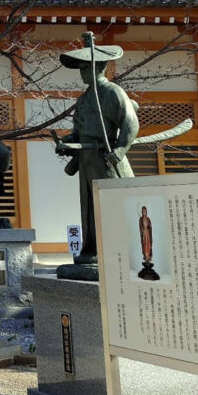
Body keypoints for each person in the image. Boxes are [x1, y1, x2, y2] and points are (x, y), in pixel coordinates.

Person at [55, 35, 139, 270]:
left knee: (110, 203)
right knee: (90, 205)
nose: (83, 73)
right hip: (87, 159)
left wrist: (121, 149)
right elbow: (78, 131)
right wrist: (69, 142)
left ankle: (117, 249)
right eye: (81, 68)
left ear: (100, 66)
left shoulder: (112, 92)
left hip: (107, 155)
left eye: (87, 67)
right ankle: (92, 249)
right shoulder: (83, 100)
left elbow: (130, 123)